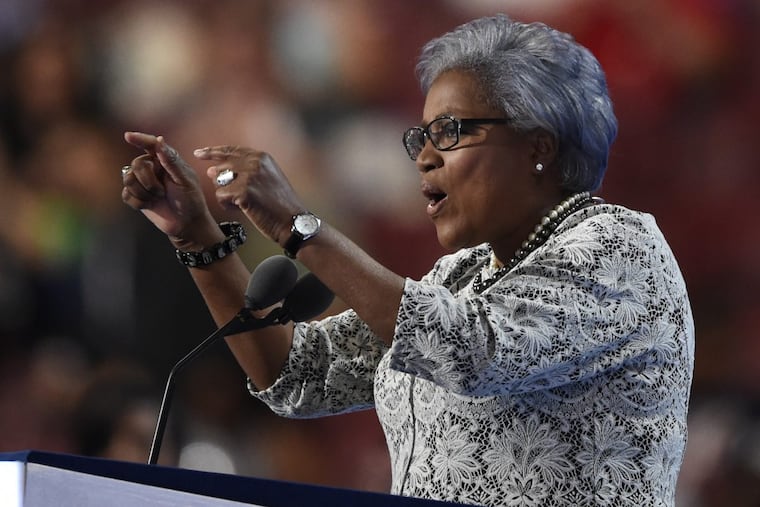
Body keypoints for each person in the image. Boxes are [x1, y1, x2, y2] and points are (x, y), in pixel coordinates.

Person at [121, 13, 694, 507]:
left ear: (537, 147)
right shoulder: (462, 276)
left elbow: (469, 350)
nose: (422, 157)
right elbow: (300, 373)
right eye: (420, 136)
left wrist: (301, 227)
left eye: (447, 132)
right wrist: (195, 235)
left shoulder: (621, 249)